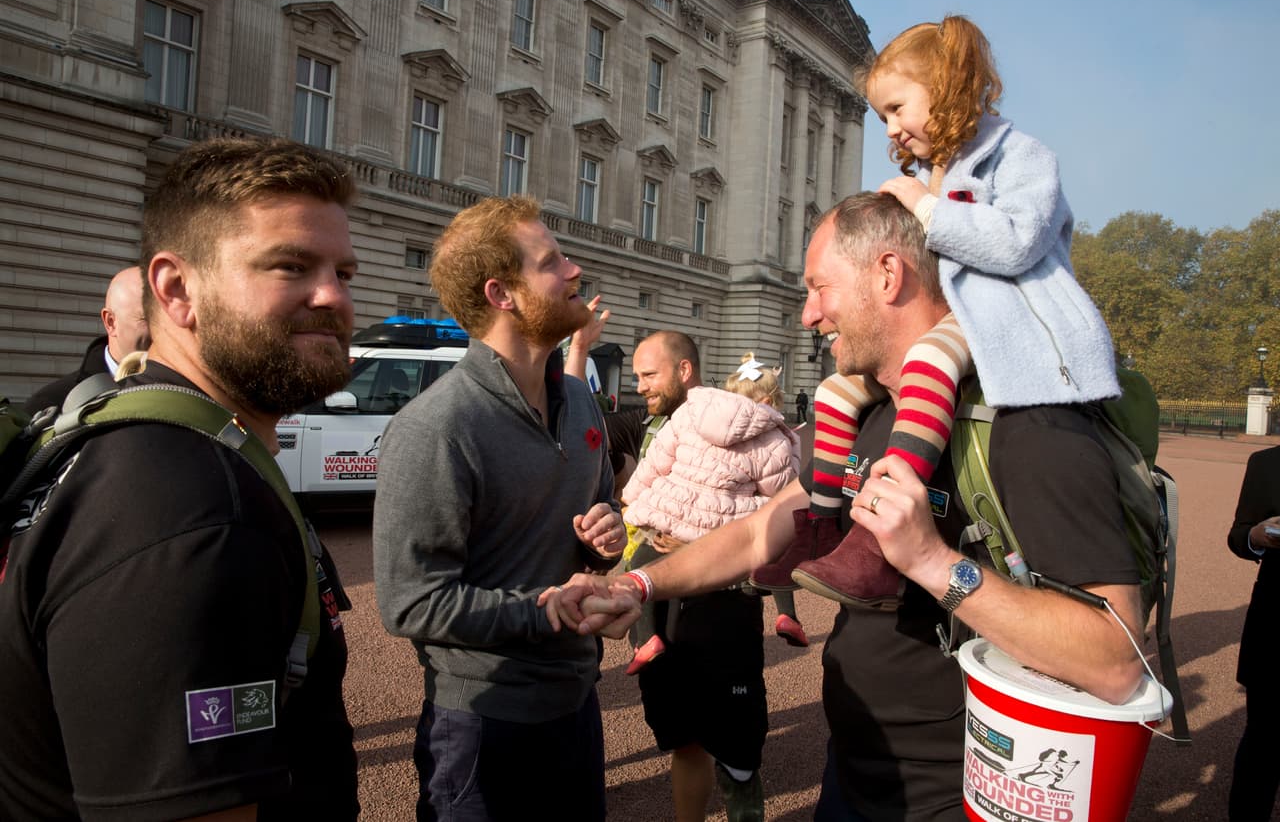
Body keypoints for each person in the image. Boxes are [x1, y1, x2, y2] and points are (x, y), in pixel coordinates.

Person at [548, 192, 1147, 820]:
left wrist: (934, 563)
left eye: (819, 288)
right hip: (855, 769)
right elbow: (758, 533)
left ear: (888, 275)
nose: (808, 314)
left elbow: (1115, 659)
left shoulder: (1026, 422)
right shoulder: (867, 415)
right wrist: (637, 585)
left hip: (958, 787)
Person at [0, 137, 360, 820]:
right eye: (291, 266)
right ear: (176, 288)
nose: (333, 297)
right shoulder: (195, 510)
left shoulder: (142, 448)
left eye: (344, 271)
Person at [770, 15, 1120, 607]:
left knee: (929, 358)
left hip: (1009, 321)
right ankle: (823, 527)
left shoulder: (1022, 156)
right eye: (883, 115)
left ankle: (876, 539)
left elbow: (1017, 242)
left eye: (897, 108)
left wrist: (927, 209)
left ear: (947, 86)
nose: (891, 128)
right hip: (966, 317)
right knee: (834, 392)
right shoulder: (941, 170)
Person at [372, 195, 626, 822]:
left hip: (577, 702)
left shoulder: (581, 402)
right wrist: (545, 610)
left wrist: (608, 536)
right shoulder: (436, 426)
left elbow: (603, 508)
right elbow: (410, 601)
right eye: (552, 262)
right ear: (501, 294)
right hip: (482, 723)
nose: (574, 270)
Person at [622, 352, 801, 676]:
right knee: (772, 547)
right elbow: (780, 492)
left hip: (675, 516)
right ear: (768, 401)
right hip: (727, 530)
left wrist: (631, 499)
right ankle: (787, 614)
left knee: (641, 565)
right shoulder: (774, 438)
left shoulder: (691, 414)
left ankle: (646, 639)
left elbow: (654, 463)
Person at [1227, 444, 1280, 820]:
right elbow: (1239, 535)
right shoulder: (1266, 464)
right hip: (1275, 622)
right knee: (1264, 738)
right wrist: (1256, 537)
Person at [24, 265, 153, 414]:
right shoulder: (50, 406)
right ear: (110, 322)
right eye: (148, 318)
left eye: (167, 318)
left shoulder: (176, 390)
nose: (163, 330)